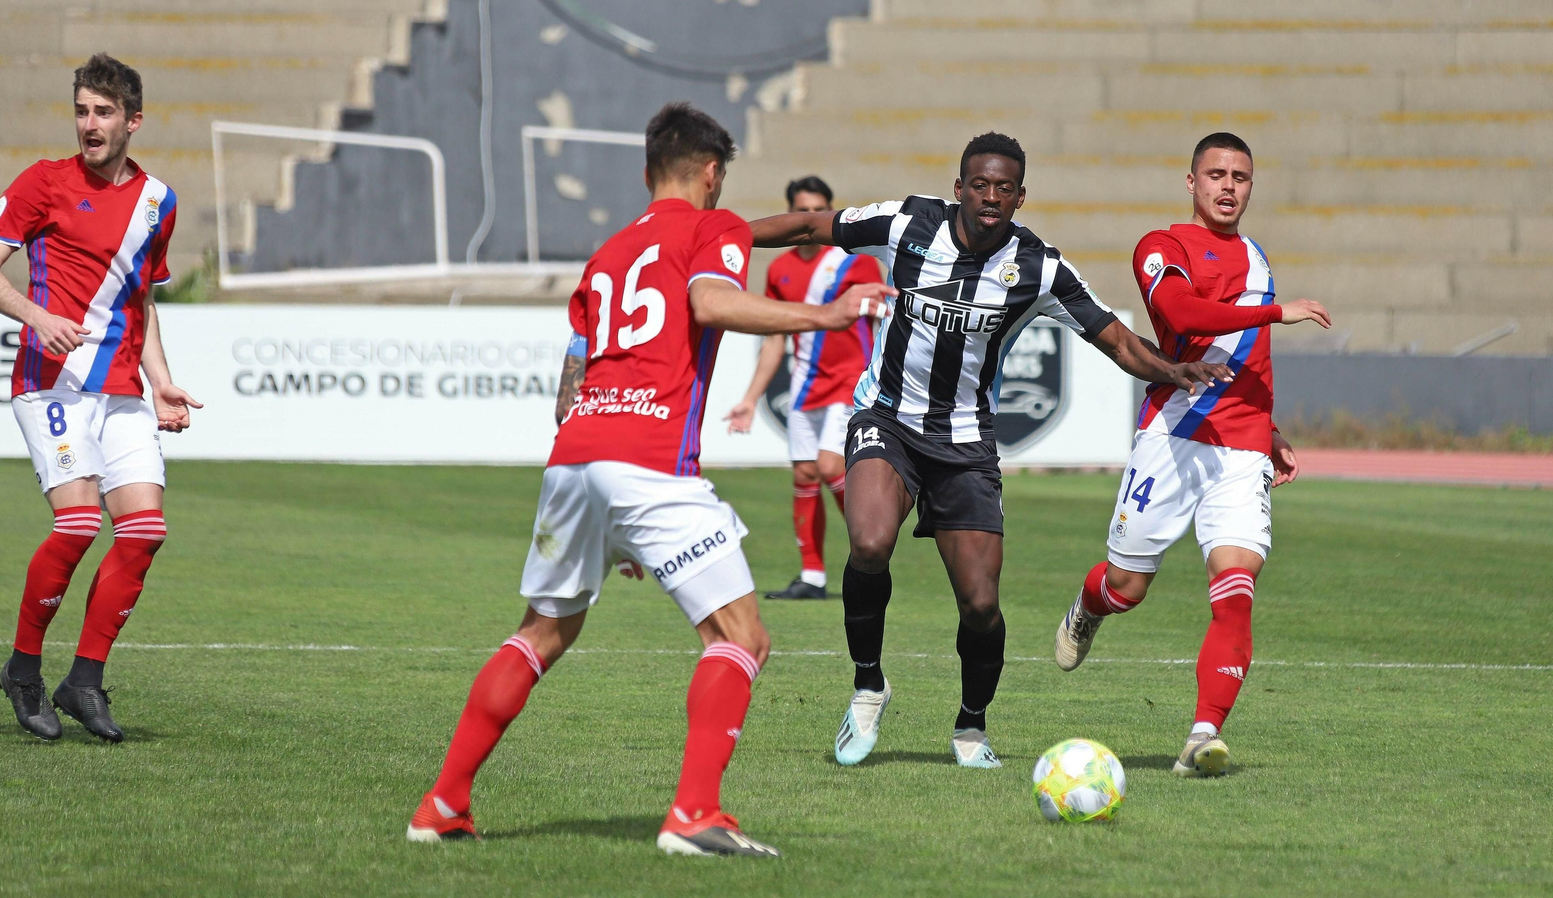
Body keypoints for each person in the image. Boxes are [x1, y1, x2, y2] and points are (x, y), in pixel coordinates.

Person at [406, 103, 893, 855]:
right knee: (742, 636)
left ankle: (441, 804)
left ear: (646, 173)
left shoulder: (608, 253)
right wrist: (825, 314)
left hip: (575, 455)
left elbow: (572, 376)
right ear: (711, 174)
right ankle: (695, 815)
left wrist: (604, 507)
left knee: (542, 631)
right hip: (647, 457)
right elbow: (711, 301)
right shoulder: (712, 228)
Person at [749, 132, 1232, 769]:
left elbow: (1113, 338)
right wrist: (718, 235)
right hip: (887, 417)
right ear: (959, 188)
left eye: (1005, 188)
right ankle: (868, 686)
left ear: (1020, 197)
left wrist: (1170, 369)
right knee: (868, 541)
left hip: (966, 443)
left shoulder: (1039, 267)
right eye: (980, 184)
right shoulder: (908, 223)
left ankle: (971, 728)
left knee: (979, 604)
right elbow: (812, 224)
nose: (991, 197)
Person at [1051, 132, 1332, 777]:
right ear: (1192, 182)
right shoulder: (1163, 247)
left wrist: (1272, 429)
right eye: (1216, 174)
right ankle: (1087, 607)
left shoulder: (1257, 258)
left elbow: (1244, 362)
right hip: (1173, 439)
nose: (1228, 186)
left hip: (1240, 453)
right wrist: (1272, 312)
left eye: (1240, 176)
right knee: (1127, 587)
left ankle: (1203, 736)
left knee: (1235, 589)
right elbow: (1181, 315)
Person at [0, 53, 200, 744]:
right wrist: (36, 317)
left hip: (123, 388)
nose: (89, 125)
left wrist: (161, 380)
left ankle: (86, 679)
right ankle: (24, 669)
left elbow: (141, 299)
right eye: (81, 111)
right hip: (51, 381)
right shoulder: (43, 182)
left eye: (103, 112)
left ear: (133, 120)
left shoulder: (159, 200)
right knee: (75, 527)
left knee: (144, 532)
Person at [725, 175, 884, 600]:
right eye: (802, 209)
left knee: (831, 467)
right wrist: (749, 398)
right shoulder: (780, 269)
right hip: (804, 385)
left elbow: (884, 317)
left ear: (828, 211)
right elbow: (775, 338)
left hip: (850, 383)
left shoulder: (856, 263)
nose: (810, 216)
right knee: (804, 474)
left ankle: (872, 547)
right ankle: (812, 575)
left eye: (817, 208)